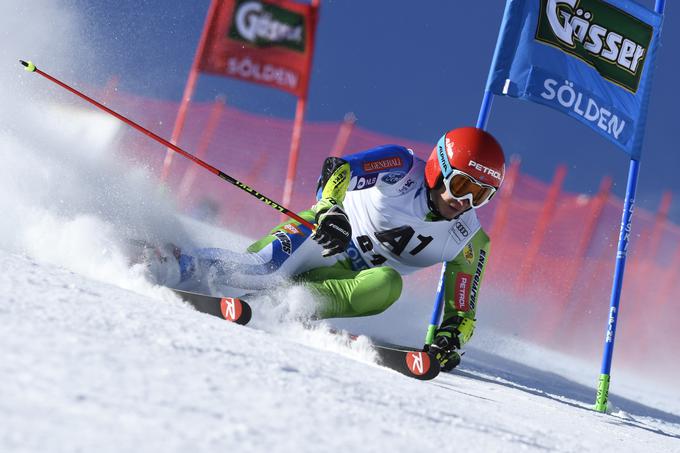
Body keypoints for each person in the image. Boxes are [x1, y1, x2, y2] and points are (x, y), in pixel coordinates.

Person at [152, 126, 505, 371]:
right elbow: (341, 169)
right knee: (261, 270)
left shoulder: (469, 239)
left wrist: (449, 341)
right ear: (437, 169)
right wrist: (330, 211)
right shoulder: (400, 167)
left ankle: (279, 307)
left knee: (388, 285)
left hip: (343, 280)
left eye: (480, 195)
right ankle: (169, 262)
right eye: (460, 185)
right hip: (321, 238)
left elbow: (462, 312)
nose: (464, 201)